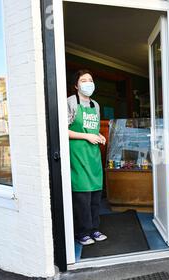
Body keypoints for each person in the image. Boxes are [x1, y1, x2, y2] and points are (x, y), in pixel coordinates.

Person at [68, 70, 108, 246]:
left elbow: (91, 129)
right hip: (78, 154)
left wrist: (99, 135)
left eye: (90, 80)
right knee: (82, 196)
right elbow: (63, 130)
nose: (87, 83)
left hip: (93, 155)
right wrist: (87, 137)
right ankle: (82, 232)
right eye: (83, 80)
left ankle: (94, 228)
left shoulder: (95, 105)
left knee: (95, 194)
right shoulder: (70, 102)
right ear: (76, 85)